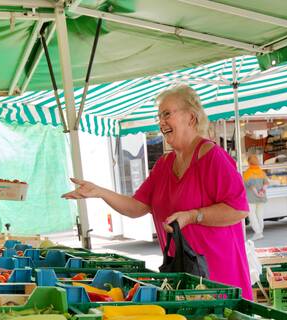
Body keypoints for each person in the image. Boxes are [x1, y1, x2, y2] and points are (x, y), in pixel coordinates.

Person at [63, 84, 252, 299]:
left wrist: (193, 216)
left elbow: (238, 210)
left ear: (191, 117)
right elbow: (136, 207)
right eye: (159, 116)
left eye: (167, 114)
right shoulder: (164, 164)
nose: (161, 122)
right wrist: (100, 192)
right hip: (184, 278)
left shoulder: (212, 157)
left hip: (220, 278)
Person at [243, 153, 270, 240]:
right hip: (261, 197)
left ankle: (257, 232)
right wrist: (262, 191)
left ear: (249, 162)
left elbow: (251, 186)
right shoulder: (261, 172)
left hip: (251, 198)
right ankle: (260, 232)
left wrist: (256, 193)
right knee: (260, 215)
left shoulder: (247, 173)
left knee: (252, 215)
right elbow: (266, 183)